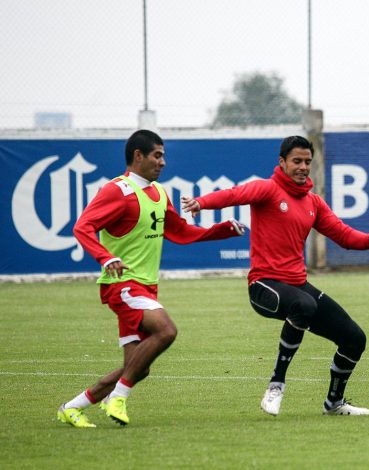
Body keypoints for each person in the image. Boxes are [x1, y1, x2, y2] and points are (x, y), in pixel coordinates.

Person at [182, 136, 369, 417]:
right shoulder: (267, 189)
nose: (303, 167)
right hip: (264, 287)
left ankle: (334, 403)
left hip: (297, 287)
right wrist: (201, 203)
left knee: (355, 338)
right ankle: (276, 385)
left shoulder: (313, 202)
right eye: (297, 161)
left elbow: (344, 235)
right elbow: (234, 194)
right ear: (282, 162)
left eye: (308, 162)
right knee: (304, 305)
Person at [58, 130, 245, 428]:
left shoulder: (159, 193)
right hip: (121, 285)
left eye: (163, 155)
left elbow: (180, 232)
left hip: (145, 287)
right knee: (166, 331)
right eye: (157, 155)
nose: (163, 162)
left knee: (138, 367)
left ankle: (73, 406)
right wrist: (106, 258)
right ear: (138, 156)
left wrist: (221, 230)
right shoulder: (116, 191)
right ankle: (117, 397)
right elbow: (83, 227)